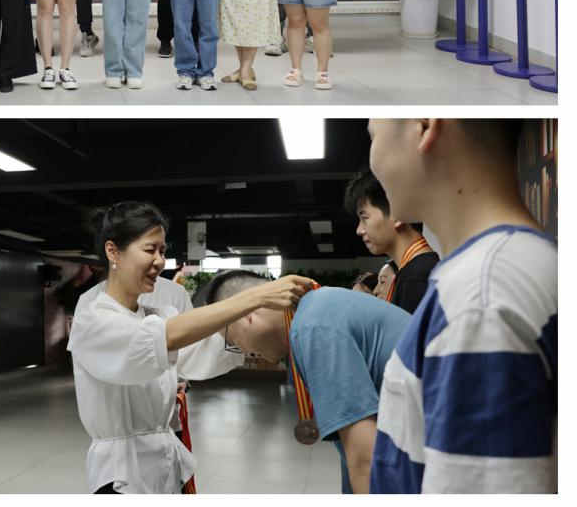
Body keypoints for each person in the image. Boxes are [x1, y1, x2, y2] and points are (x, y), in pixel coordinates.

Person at [68, 203, 316, 493]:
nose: (160, 261)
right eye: (150, 250)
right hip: (121, 474)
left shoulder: (159, 313)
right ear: (113, 252)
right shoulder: (93, 319)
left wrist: (258, 334)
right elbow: (160, 339)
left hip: (164, 463)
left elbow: (197, 352)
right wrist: (255, 297)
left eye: (162, 251)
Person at [365, 119, 557, 493]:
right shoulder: (494, 273)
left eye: (373, 134)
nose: (372, 157)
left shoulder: (480, 295)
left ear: (424, 127)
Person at [208, 270, 411, 494]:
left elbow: (364, 458)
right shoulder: (316, 310)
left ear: (247, 315)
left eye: (232, 341)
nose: (244, 351)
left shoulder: (312, 328)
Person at [343, 170, 438, 314]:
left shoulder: (416, 278)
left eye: (364, 217)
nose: (359, 230)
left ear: (397, 214)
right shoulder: (414, 272)